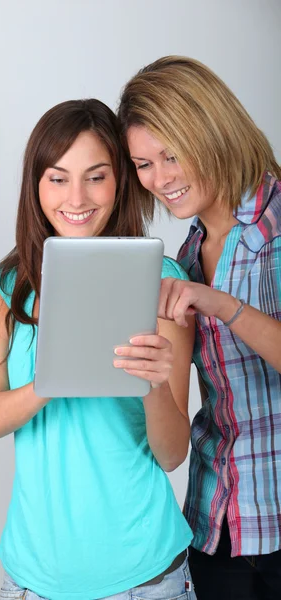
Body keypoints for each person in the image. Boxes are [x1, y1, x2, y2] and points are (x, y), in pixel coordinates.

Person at [0, 98, 197, 600]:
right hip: (32, 580)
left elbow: (172, 453)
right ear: (36, 185)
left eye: (96, 176)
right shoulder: (8, 288)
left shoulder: (164, 284)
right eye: (57, 177)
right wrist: (54, 377)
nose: (76, 196)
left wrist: (155, 385)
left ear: (119, 181)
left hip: (144, 577)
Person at [117, 55, 281, 600]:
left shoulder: (277, 224)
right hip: (217, 528)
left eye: (171, 154)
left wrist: (220, 303)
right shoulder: (182, 258)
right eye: (143, 164)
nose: (160, 179)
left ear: (210, 130)